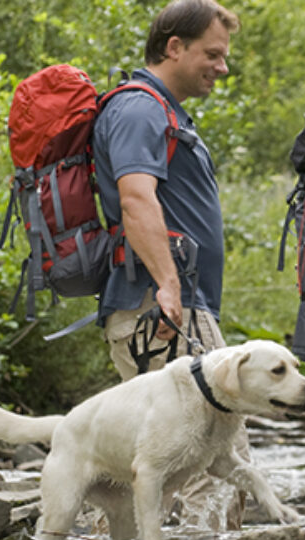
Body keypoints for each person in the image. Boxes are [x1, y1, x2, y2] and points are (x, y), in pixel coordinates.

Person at [94, 0, 239, 380]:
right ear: (174, 47)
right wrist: (169, 286)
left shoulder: (164, 111)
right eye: (212, 54)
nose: (222, 68)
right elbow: (136, 199)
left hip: (174, 308)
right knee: (222, 440)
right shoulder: (140, 109)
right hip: (161, 310)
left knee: (197, 440)